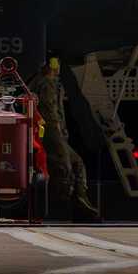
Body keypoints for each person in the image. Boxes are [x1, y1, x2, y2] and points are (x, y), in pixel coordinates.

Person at [29, 54, 99, 221]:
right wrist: (58, 131)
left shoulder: (51, 83)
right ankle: (58, 205)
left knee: (77, 163)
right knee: (62, 166)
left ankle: (80, 200)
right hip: (50, 131)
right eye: (55, 63)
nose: (57, 67)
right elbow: (49, 111)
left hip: (55, 131)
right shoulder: (45, 83)